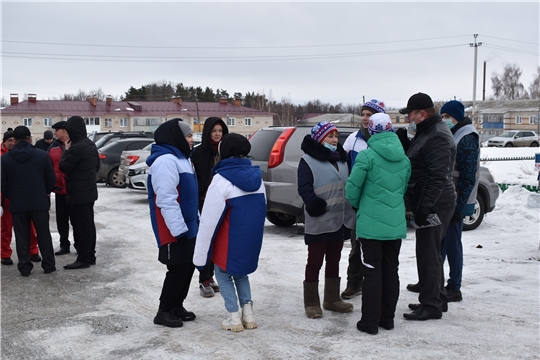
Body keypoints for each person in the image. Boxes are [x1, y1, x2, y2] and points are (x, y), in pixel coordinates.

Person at [407, 101, 479, 303]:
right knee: (436, 249)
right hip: (444, 196)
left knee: (447, 246)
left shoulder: (464, 136)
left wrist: (459, 203)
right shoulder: (444, 132)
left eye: (448, 115)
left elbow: (466, 175)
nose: (445, 119)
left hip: (447, 199)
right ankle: (434, 290)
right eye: (443, 115)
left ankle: (452, 287)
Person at [345, 113, 411, 335]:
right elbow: (402, 190)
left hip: (371, 228)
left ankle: (370, 322)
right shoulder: (404, 159)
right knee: (391, 271)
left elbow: (351, 189)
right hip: (395, 226)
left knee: (372, 273)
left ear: (372, 131)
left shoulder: (367, 157)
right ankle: (387, 319)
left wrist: (361, 206)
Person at [193, 133, 266, 332]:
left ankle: (233, 316)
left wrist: (200, 257)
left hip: (228, 241)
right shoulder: (258, 179)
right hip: (250, 239)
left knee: (223, 274)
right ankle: (248, 314)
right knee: (241, 275)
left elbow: (209, 220)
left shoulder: (221, 181)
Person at [398, 93, 456, 321]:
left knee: (428, 254)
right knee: (431, 253)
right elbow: (421, 162)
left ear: (422, 114)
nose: (408, 119)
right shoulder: (428, 131)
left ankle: (430, 305)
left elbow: (438, 176)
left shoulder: (438, 135)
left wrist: (425, 206)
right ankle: (437, 298)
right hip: (433, 201)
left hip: (436, 203)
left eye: (410, 114)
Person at [297, 121, 356, 319]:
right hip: (320, 219)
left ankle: (332, 299)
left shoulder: (340, 159)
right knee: (314, 262)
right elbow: (304, 187)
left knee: (334, 260)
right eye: (330, 136)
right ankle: (311, 302)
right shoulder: (308, 161)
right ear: (319, 139)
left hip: (340, 219)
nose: (334, 140)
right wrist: (313, 203)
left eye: (335, 136)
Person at [147, 119, 199, 328]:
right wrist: (178, 229)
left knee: (187, 267)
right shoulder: (165, 161)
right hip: (171, 227)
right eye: (188, 136)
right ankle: (164, 310)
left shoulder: (183, 159)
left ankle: (177, 305)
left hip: (188, 224)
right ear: (176, 137)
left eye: (192, 136)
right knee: (177, 268)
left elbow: (189, 197)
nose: (192, 140)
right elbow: (166, 199)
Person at [341, 98, 386, 300]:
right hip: (358, 202)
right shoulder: (353, 140)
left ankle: (377, 283)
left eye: (370, 115)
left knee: (379, 247)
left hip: (379, 201)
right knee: (356, 245)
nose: (366, 118)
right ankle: (354, 282)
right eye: (364, 114)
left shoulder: (386, 139)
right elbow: (345, 168)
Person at [1, 126, 56, 276]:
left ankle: (25, 266)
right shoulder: (42, 156)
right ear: (30, 138)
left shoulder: (5, 159)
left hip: (18, 202)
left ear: (14, 140)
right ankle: (49, 265)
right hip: (39, 202)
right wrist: (45, 192)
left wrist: (10, 196)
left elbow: (3, 184)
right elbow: (51, 178)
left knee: (21, 235)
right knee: (43, 234)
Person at [191, 117, 229, 298]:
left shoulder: (227, 151)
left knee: (219, 240)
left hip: (224, 201)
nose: (217, 134)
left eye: (220, 131)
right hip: (204, 201)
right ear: (207, 132)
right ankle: (203, 278)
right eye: (214, 131)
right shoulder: (198, 153)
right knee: (206, 239)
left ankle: (211, 276)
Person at [59, 116, 100, 269]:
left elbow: (64, 167)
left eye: (68, 131)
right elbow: (96, 166)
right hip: (89, 192)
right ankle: (90, 256)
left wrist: (66, 150)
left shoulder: (76, 147)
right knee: (89, 225)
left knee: (81, 227)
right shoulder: (90, 145)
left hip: (78, 194)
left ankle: (83, 259)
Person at [1, 128, 42, 265]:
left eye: (14, 140)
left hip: (21, 197)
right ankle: (5, 254)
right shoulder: (3, 156)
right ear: (4, 142)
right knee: (5, 228)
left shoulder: (21, 153)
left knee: (29, 227)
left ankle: (33, 251)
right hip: (5, 198)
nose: (12, 143)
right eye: (9, 140)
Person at [48, 120, 73, 255]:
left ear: (64, 131)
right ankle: (64, 245)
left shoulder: (75, 147)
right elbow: (48, 168)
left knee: (76, 220)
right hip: (59, 190)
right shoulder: (52, 149)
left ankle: (79, 244)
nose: (55, 133)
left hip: (73, 190)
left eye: (57, 130)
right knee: (61, 220)